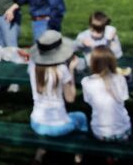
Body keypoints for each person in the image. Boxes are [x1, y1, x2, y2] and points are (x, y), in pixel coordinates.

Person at [28, 30, 88, 164]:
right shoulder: (62, 69)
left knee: (49, 127)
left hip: (36, 122)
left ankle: (39, 154)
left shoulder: (32, 65)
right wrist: (71, 69)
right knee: (82, 117)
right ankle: (79, 156)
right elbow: (70, 98)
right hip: (60, 126)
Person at [81, 45, 132, 142]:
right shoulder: (120, 78)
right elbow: (124, 98)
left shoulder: (86, 82)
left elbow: (88, 101)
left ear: (92, 63)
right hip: (123, 132)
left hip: (99, 133)